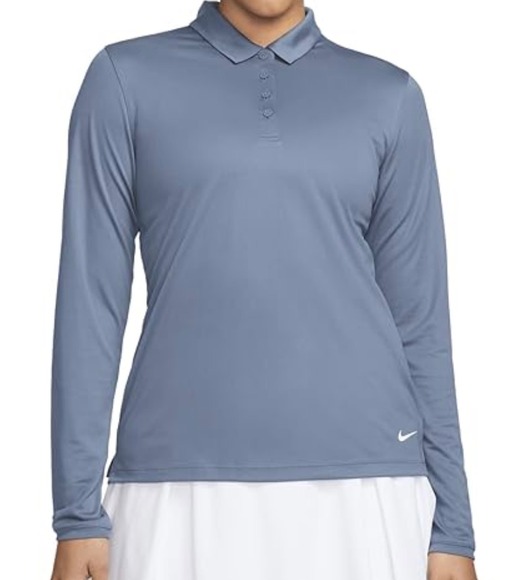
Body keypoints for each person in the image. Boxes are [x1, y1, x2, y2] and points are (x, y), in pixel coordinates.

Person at [49, 1, 479, 579]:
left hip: (369, 486)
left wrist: (452, 526)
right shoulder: (124, 80)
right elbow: (90, 307)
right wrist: (76, 515)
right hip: (173, 489)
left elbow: (422, 326)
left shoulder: (389, 96)